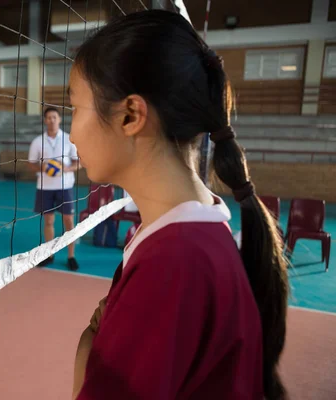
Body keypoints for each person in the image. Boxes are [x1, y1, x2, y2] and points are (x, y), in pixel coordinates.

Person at [68, 10, 288, 400]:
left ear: (130, 115)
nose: (71, 134)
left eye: (75, 108)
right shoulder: (195, 234)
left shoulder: (174, 262)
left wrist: (89, 343)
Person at [28, 107, 80, 271]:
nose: (51, 120)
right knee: (49, 221)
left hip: (65, 187)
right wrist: (42, 167)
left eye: (54, 117)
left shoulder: (68, 139)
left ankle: (71, 256)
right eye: (48, 117)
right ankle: (49, 254)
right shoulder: (38, 141)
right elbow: (31, 163)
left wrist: (66, 169)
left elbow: (78, 162)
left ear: (59, 119)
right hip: (45, 187)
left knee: (69, 221)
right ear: (45, 120)